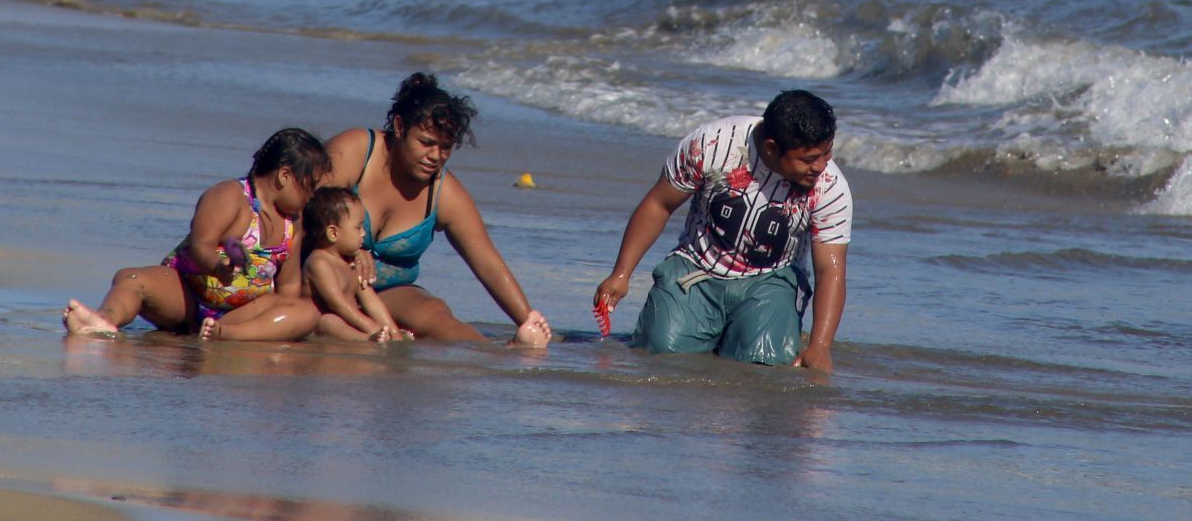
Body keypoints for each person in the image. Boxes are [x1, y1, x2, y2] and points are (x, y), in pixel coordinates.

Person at [593, 89, 851, 370]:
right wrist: (621, 274)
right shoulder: (712, 145)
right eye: (809, 159)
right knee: (660, 355)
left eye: (827, 153)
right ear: (772, 148)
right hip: (697, 265)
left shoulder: (830, 187)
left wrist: (820, 346)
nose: (821, 166)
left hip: (770, 282)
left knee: (763, 365)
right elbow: (659, 204)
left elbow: (830, 269)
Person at [320, 74, 551, 346]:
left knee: (434, 312)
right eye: (426, 142)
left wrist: (528, 319)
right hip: (325, 283)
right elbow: (305, 209)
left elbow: (487, 261)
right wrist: (351, 250)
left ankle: (500, 354)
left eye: (445, 147)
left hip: (388, 293)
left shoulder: (444, 192)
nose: (435, 156)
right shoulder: (356, 150)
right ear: (399, 127)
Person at [63, 128, 328, 342]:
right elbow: (200, 245)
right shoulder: (230, 196)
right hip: (187, 294)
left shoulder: (293, 220)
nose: (313, 194)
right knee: (132, 279)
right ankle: (104, 319)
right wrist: (218, 266)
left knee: (305, 312)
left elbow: (289, 284)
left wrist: (287, 318)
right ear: (284, 176)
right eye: (311, 185)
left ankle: (227, 334)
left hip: (238, 315)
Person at [300, 187, 411, 342]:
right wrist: (373, 328)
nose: (363, 234)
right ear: (333, 233)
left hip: (350, 321)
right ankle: (366, 339)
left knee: (356, 318)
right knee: (329, 321)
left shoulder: (350, 262)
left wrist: (393, 332)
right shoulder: (319, 263)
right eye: (358, 228)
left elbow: (371, 301)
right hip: (320, 325)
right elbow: (337, 305)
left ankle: (377, 336)